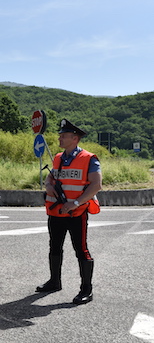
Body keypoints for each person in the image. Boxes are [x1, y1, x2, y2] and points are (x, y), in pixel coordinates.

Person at [36, 119, 102, 305]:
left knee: (81, 250)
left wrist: (75, 203)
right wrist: (48, 185)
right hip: (56, 212)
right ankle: (54, 281)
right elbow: (51, 177)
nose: (60, 138)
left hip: (76, 213)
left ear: (75, 138)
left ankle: (86, 290)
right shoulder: (58, 157)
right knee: (54, 247)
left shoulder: (89, 158)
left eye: (63, 136)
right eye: (60, 135)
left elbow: (96, 185)